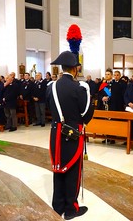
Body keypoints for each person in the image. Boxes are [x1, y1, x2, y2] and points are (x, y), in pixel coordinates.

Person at [46, 51, 94, 220]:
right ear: (74, 69)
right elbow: (87, 113)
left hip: (55, 133)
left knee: (58, 168)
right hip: (72, 133)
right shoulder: (80, 87)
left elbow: (48, 105)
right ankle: (71, 209)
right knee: (73, 170)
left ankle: (57, 206)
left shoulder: (51, 86)